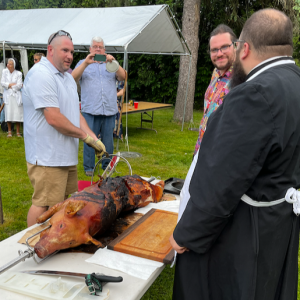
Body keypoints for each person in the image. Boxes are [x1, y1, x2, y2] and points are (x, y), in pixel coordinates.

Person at [170, 9, 300, 300]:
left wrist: (186, 233)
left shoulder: (255, 94)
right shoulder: (294, 82)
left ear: (245, 48)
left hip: (244, 231)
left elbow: (222, 180)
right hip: (276, 220)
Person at [22, 30, 106, 227]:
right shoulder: (41, 74)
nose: (70, 56)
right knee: (43, 204)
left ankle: (51, 239)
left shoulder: (67, 77)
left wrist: (93, 136)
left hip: (65, 155)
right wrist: (85, 137)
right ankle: (31, 245)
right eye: (65, 51)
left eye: (72, 52)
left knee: (60, 204)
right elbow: (53, 118)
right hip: (46, 156)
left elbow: (73, 114)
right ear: (50, 50)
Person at [72, 36, 126, 176]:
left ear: (104, 50)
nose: (97, 49)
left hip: (109, 109)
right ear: (90, 49)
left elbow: (123, 76)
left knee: (108, 140)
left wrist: (114, 62)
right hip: (91, 109)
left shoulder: (111, 64)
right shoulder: (82, 63)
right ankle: (89, 167)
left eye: (100, 47)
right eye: (95, 47)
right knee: (90, 139)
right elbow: (72, 78)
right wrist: (86, 63)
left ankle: (106, 165)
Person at [194, 24, 236, 155]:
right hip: (202, 151)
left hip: (222, 157)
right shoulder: (216, 73)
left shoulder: (242, 78)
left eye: (224, 47)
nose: (219, 54)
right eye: (214, 50)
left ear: (236, 46)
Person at [1, 58, 23, 137]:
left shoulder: (19, 73)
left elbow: (20, 85)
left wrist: (9, 85)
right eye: (7, 64)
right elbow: (2, 83)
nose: (8, 65)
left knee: (17, 113)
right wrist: (11, 84)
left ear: (14, 65)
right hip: (8, 95)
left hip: (16, 95)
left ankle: (18, 132)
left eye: (10, 64)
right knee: (8, 113)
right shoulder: (4, 72)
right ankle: (9, 131)